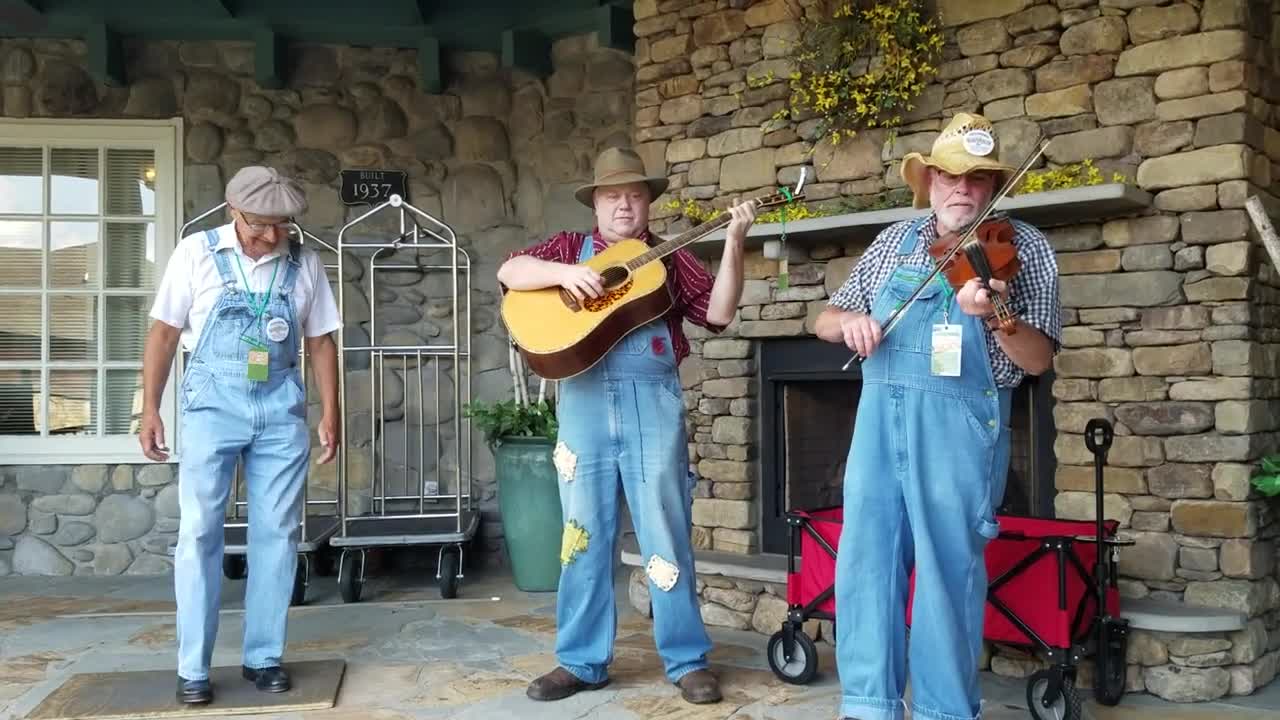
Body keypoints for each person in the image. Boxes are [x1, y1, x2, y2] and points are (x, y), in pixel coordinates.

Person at [815, 113, 1061, 720]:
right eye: (950, 176)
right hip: (878, 425)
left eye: (978, 179)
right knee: (865, 565)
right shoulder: (894, 241)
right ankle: (869, 705)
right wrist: (847, 324)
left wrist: (994, 316)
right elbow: (823, 318)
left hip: (958, 430)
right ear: (928, 179)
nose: (963, 190)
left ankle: (945, 710)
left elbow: (1037, 360)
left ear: (993, 186)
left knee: (948, 576)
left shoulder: (1022, 248)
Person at [497, 147, 757, 705]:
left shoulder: (671, 255)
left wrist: (734, 243)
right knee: (580, 535)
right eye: (613, 195)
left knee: (665, 529)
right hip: (583, 404)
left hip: (651, 402)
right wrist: (569, 274)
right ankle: (580, 661)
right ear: (596, 203)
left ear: (647, 204)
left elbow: (719, 312)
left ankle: (686, 659)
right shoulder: (569, 248)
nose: (624, 204)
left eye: (634, 195)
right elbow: (509, 270)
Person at [138, 166, 341, 705]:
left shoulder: (306, 263)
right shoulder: (195, 253)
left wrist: (330, 412)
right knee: (200, 531)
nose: (273, 237)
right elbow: (162, 333)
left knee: (276, 532)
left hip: (280, 407)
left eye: (282, 226)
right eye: (261, 226)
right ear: (234, 212)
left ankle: (264, 656)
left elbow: (320, 341)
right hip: (211, 408)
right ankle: (193, 668)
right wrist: (149, 409)